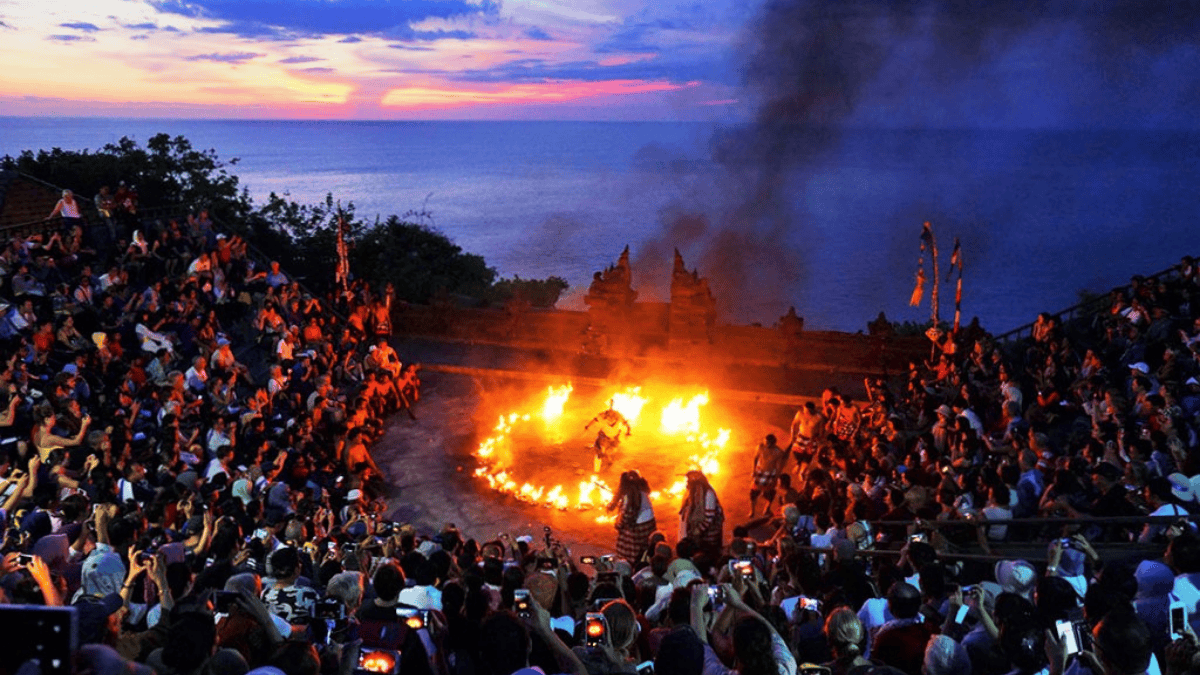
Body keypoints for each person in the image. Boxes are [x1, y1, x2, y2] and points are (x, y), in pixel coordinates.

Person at [609, 470, 656, 563]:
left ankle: (632, 562)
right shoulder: (642, 490)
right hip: (650, 523)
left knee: (626, 540)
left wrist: (618, 525)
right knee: (646, 546)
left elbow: (628, 516)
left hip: (639, 528)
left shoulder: (630, 496)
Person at [680, 470, 725, 560]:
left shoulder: (708, 494)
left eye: (689, 482)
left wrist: (698, 531)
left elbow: (709, 518)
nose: (687, 484)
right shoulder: (694, 493)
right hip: (700, 532)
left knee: (709, 555)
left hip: (710, 532)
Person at [585, 400, 632, 473]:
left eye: (612, 418)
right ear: (607, 416)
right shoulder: (602, 416)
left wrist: (628, 432)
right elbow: (594, 420)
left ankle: (609, 460)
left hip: (614, 437)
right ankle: (597, 470)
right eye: (609, 417)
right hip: (604, 437)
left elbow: (626, 424)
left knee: (610, 451)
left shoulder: (618, 416)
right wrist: (587, 426)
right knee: (601, 452)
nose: (611, 420)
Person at [749, 434, 788, 518]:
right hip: (759, 473)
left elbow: (778, 467)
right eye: (766, 442)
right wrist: (753, 470)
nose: (767, 445)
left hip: (770, 475)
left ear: (774, 444)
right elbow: (755, 458)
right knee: (753, 493)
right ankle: (752, 511)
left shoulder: (778, 452)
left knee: (770, 494)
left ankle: (767, 509)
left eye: (769, 443)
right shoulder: (760, 447)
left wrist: (776, 478)